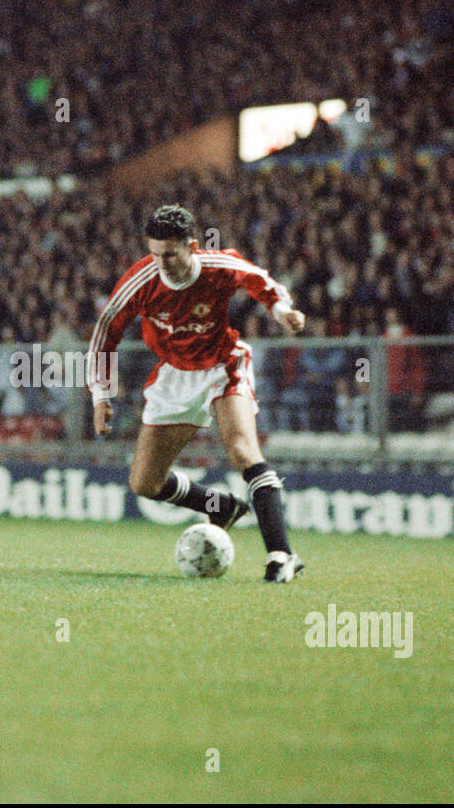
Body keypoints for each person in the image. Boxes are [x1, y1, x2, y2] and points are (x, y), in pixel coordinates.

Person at [86, 205, 307, 584]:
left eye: (169, 254)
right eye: (154, 254)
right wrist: (102, 395)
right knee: (145, 483)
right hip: (174, 374)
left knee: (242, 451)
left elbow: (260, 281)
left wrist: (282, 310)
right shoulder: (141, 281)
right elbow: (105, 332)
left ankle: (282, 555)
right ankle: (219, 505)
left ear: (190, 246)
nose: (161, 262)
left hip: (223, 363)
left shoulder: (218, 265)